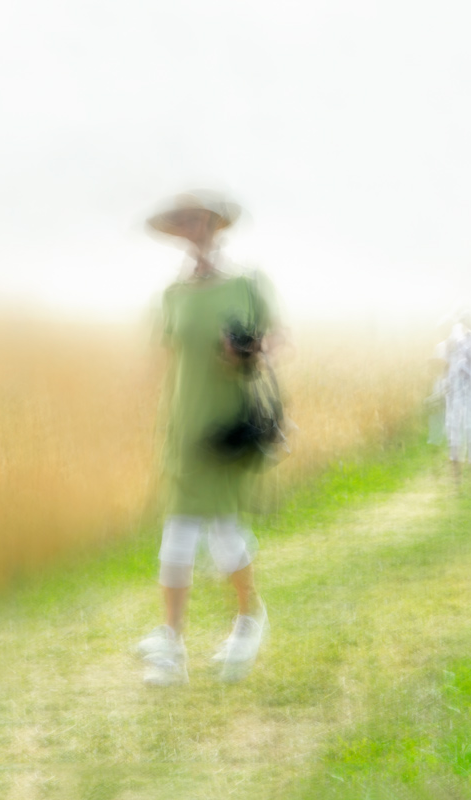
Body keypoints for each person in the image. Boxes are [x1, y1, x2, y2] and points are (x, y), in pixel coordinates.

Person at [134, 191, 278, 686]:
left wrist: (246, 352)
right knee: (176, 539)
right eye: (183, 223)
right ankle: (170, 646)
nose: (192, 229)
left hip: (225, 428)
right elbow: (167, 363)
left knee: (223, 537)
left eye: (199, 220)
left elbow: (277, 343)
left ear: (216, 225)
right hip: (182, 427)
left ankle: (249, 618)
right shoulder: (172, 295)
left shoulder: (247, 284)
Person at [441, 312, 471, 488]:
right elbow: (446, 362)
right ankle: (457, 484)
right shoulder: (454, 336)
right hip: (456, 392)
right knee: (454, 434)